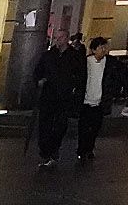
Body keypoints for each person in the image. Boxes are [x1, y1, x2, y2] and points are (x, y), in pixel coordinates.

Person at [32, 33, 87, 167]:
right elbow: (38, 71)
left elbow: (81, 75)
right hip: (48, 95)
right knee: (45, 123)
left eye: (60, 38)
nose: (58, 40)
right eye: (56, 38)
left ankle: (53, 150)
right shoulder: (49, 55)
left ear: (66, 39)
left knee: (60, 125)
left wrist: (75, 88)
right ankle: (46, 151)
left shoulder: (75, 56)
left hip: (64, 96)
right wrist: (40, 80)